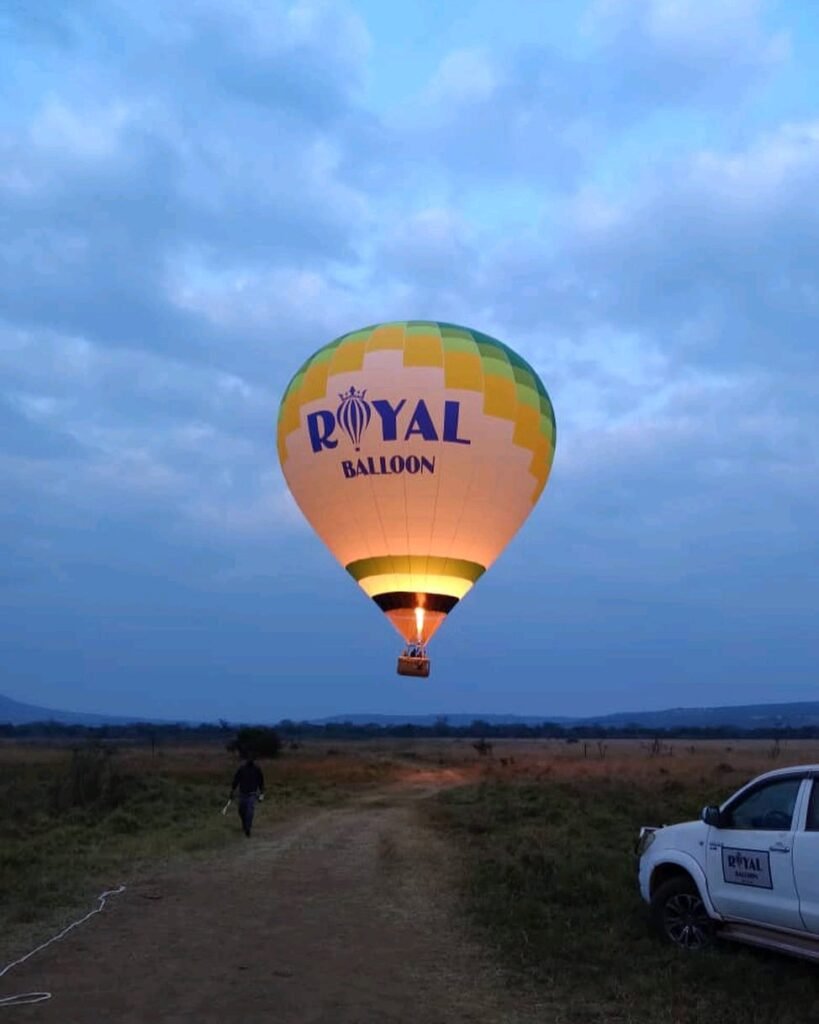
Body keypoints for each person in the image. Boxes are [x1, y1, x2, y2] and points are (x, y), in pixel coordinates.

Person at [229, 754, 265, 838]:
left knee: (250, 811)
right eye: (249, 758)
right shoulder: (242, 769)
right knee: (241, 811)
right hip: (242, 793)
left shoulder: (257, 769)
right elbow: (236, 780)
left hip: (252, 794)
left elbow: (261, 782)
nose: (250, 760)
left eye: (252, 758)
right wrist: (232, 790)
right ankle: (245, 824)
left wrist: (262, 794)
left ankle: (248, 828)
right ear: (246, 759)